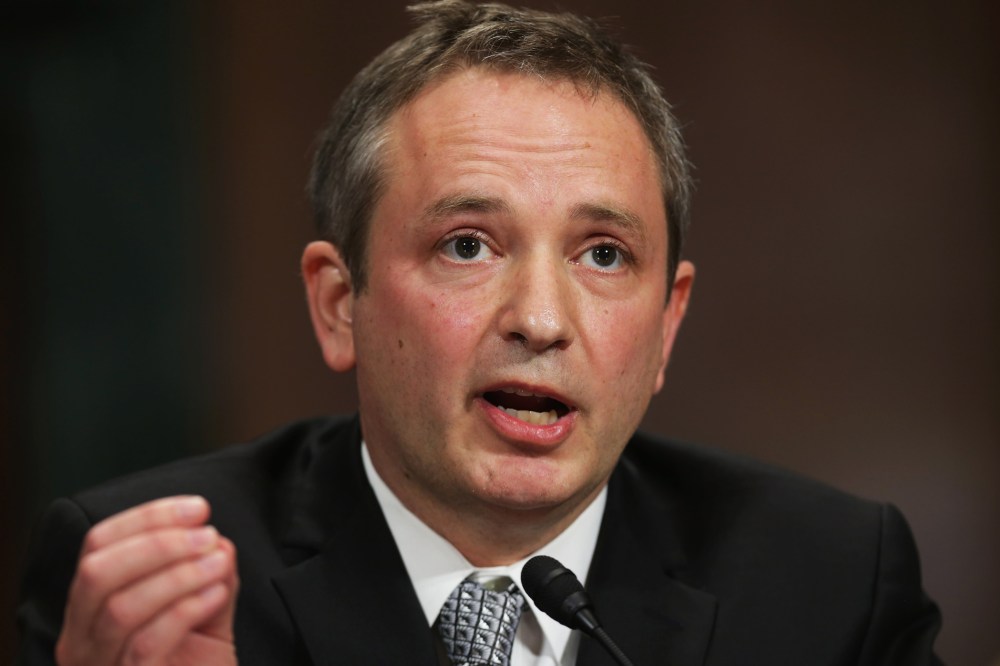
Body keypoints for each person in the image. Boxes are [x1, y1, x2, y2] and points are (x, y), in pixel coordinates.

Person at [16, 1, 943, 664]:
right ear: (339, 304)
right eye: (467, 245)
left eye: (604, 255)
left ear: (668, 325)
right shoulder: (148, 596)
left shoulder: (830, 588)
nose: (540, 321)